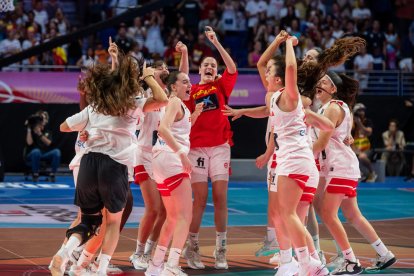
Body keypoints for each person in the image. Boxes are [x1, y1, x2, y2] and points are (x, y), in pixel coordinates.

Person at [49, 53, 168, 276]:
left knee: (88, 220)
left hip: (88, 164)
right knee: (113, 222)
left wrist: (86, 129)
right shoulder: (133, 103)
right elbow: (162, 99)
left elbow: (64, 127)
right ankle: (100, 268)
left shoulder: (95, 107)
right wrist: (150, 77)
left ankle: (65, 254)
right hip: (113, 166)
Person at [313, 71, 396, 274]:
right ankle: (384, 253)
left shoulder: (333, 107)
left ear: (333, 89)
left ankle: (350, 261)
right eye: (319, 82)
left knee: (327, 213)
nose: (319, 85)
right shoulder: (336, 107)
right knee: (352, 214)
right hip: (344, 167)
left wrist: (304, 155)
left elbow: (324, 140)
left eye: (324, 83)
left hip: (339, 167)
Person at [130, 41, 189, 271]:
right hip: (144, 153)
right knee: (154, 208)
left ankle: (150, 254)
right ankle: (138, 252)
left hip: (160, 155)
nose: (165, 70)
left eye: (167, 68)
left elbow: (181, 78)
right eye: (160, 68)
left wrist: (183, 53)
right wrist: (148, 77)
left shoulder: (171, 97)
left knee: (166, 212)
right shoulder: (146, 95)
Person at [183, 26, 237, 270]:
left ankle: (220, 249)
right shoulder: (192, 91)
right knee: (200, 201)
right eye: (206, 65)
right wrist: (184, 53)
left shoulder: (221, 86)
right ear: (199, 70)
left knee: (220, 198)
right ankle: (191, 246)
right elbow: (181, 79)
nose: (210, 67)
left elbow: (232, 68)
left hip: (220, 148)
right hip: (196, 149)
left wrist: (215, 42)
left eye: (213, 66)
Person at [145, 71, 202, 276]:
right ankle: (171, 266)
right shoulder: (175, 101)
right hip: (171, 160)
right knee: (185, 217)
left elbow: (176, 129)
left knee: (172, 217)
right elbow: (163, 129)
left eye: (190, 81)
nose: (190, 85)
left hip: (160, 162)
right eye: (185, 82)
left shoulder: (178, 104)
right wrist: (182, 155)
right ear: (173, 87)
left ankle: (155, 265)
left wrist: (194, 116)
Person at [24, 111, 61, 182]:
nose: (42, 120)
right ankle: (35, 174)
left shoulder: (47, 131)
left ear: (46, 120)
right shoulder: (31, 129)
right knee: (36, 151)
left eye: (43, 118)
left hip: (44, 154)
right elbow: (29, 143)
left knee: (57, 152)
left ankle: (52, 174)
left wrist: (39, 133)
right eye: (40, 117)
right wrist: (29, 128)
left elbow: (49, 143)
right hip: (32, 154)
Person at [352, 103, 377, 182]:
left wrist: (359, 123)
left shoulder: (367, 121)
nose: (362, 112)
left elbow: (368, 132)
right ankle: (360, 174)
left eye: (363, 110)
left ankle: (372, 173)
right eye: (359, 111)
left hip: (368, 148)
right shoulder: (351, 123)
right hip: (354, 148)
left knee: (362, 156)